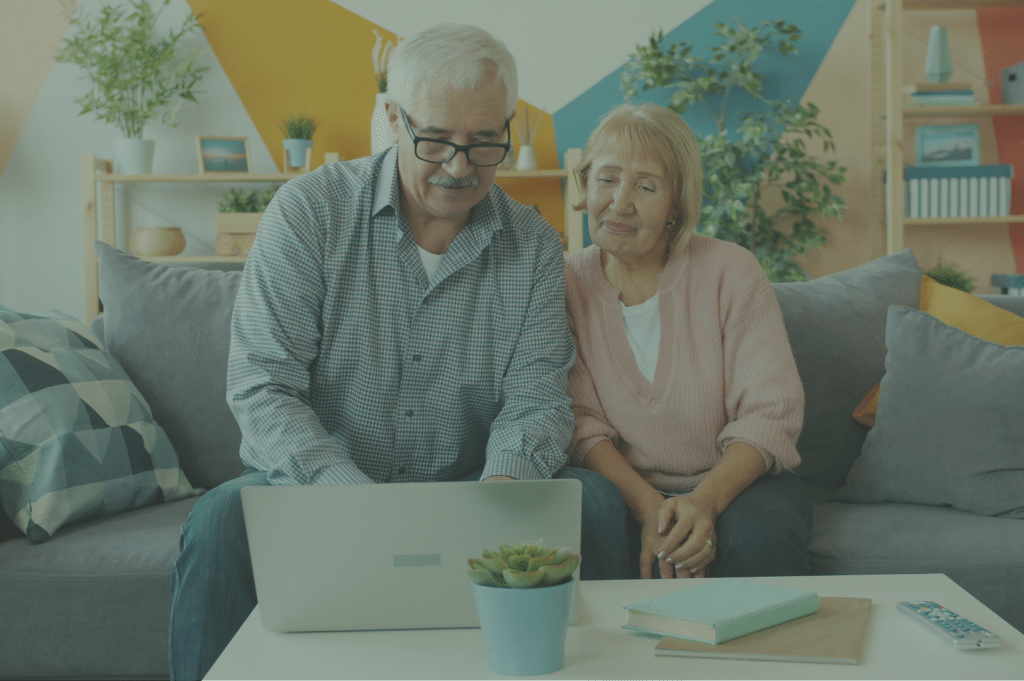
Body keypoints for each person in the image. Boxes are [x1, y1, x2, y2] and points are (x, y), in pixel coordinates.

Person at [167, 24, 628, 681]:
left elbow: (536, 400)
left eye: (485, 141)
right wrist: (355, 502)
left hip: (476, 495)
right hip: (322, 491)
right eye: (436, 139)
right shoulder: (309, 214)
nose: (461, 166)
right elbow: (263, 387)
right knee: (218, 520)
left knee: (597, 502)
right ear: (391, 116)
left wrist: (494, 505)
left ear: (510, 125)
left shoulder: (531, 245)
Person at [565, 102, 812, 581]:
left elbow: (770, 414)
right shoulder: (563, 284)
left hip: (735, 483)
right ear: (586, 183)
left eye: (646, 186)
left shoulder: (730, 270)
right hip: (621, 488)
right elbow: (580, 425)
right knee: (586, 515)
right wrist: (649, 511)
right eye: (608, 179)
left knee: (762, 534)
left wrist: (703, 504)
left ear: (678, 202)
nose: (620, 202)